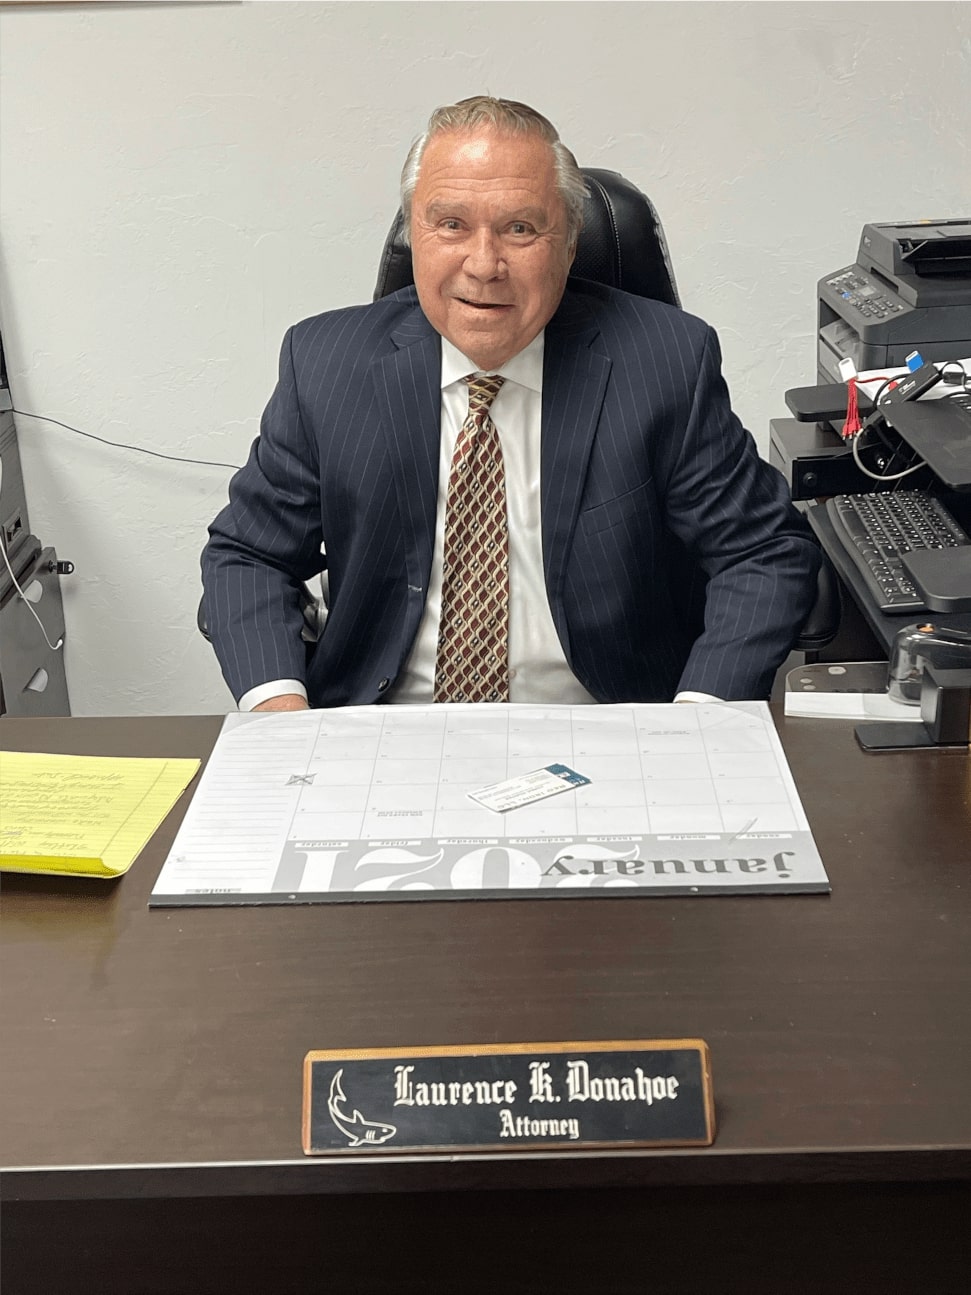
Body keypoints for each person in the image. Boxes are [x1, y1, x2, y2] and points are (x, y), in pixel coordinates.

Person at [202, 96, 820, 713]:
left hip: (607, 732)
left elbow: (762, 552)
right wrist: (280, 717)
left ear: (570, 242)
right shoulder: (326, 364)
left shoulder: (665, 364)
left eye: (520, 228)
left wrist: (697, 720)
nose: (483, 265)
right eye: (450, 225)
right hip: (379, 735)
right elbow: (249, 555)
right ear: (413, 233)